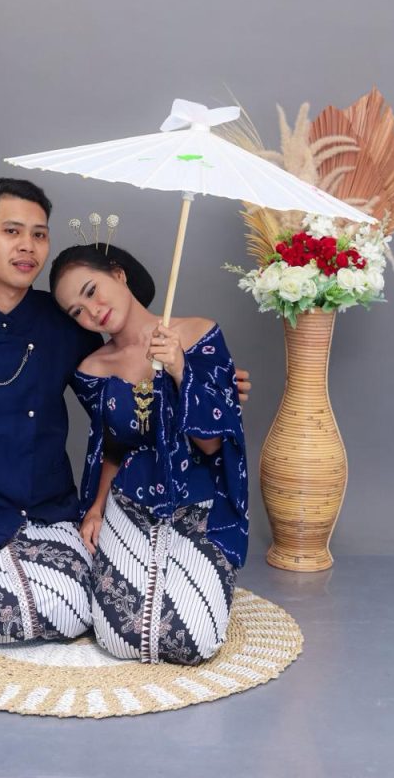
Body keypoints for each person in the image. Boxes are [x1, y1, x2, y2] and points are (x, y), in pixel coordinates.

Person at [0, 177, 251, 652]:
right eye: (12, 231)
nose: (27, 246)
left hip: (45, 517)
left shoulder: (65, 323)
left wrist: (209, 382)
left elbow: (130, 394)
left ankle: (16, 589)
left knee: (78, 609)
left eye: (39, 234)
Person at [50, 243, 248, 665]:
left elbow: (213, 445)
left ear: (118, 274)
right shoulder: (92, 370)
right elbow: (113, 448)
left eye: (92, 290)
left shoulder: (199, 334)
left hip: (197, 499)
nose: (92, 311)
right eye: (77, 311)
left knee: (194, 638)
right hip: (129, 499)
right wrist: (96, 509)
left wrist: (179, 369)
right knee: (118, 636)